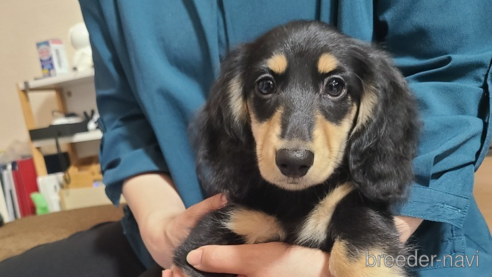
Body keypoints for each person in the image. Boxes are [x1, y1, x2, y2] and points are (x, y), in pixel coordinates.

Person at [0, 1, 491, 277]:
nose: (294, 143)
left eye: (334, 86)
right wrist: (160, 225)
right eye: (265, 87)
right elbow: (124, 116)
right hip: (205, 224)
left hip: (414, 233)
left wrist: (342, 263)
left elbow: (450, 71)